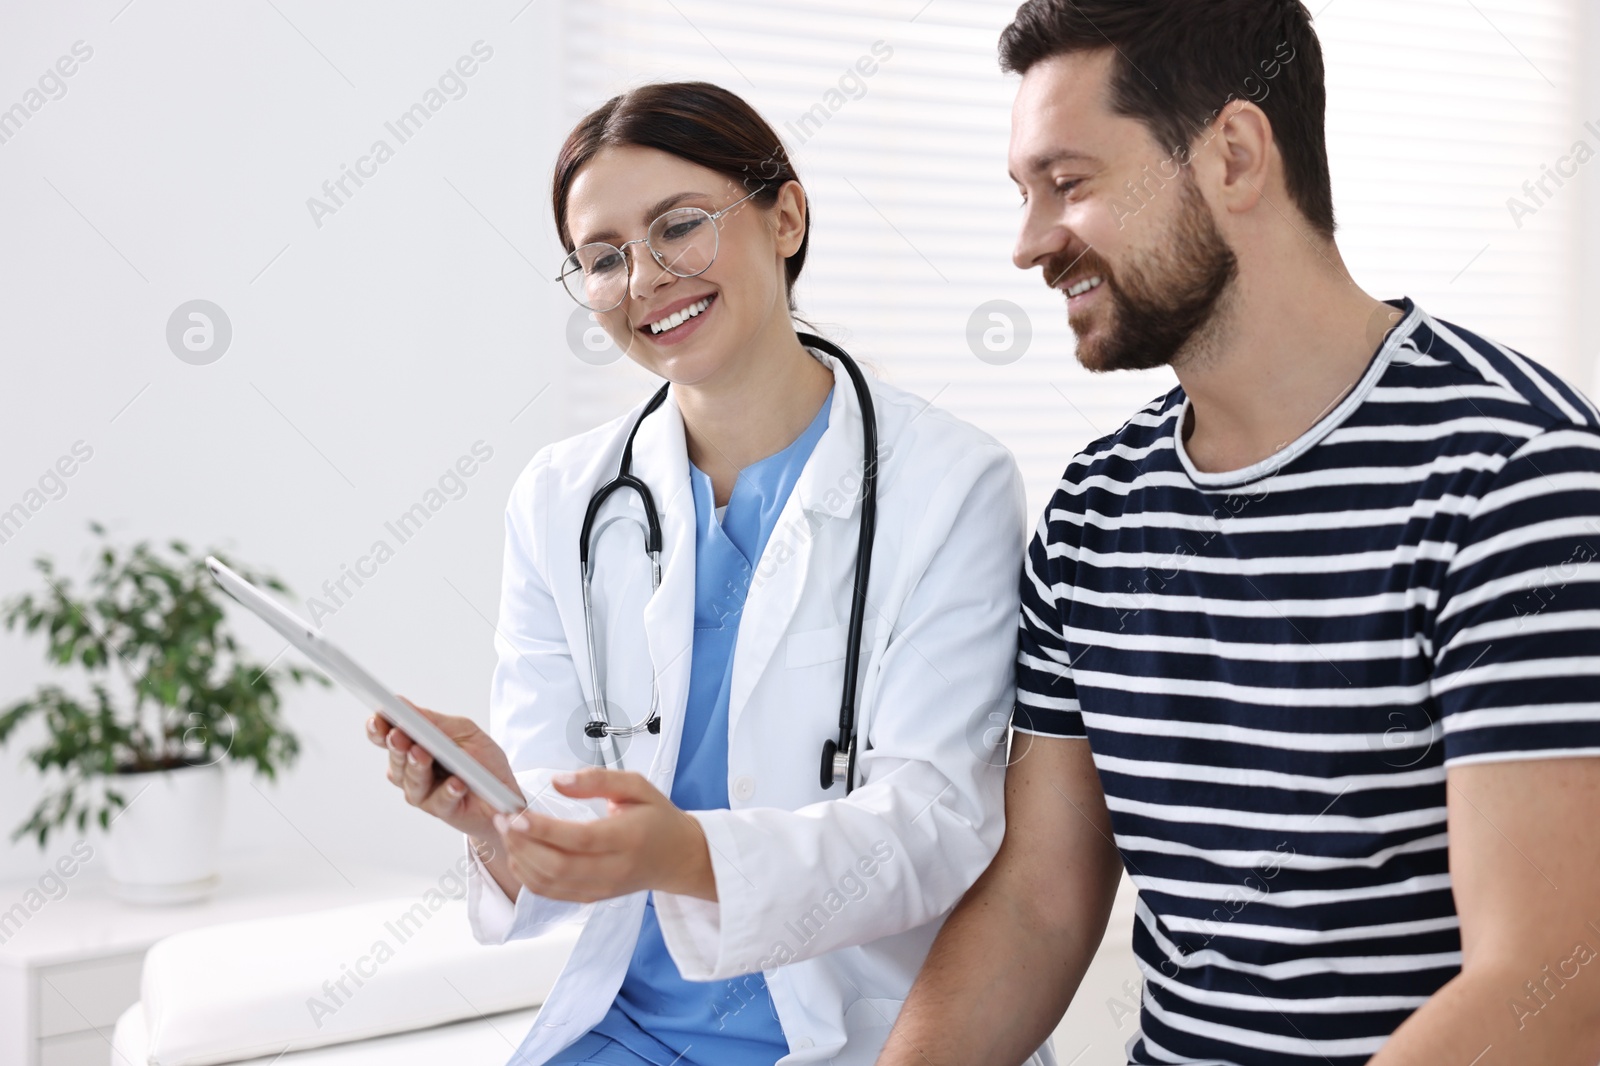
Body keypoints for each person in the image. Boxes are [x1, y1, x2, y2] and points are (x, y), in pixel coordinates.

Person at [877, 2, 1600, 1065]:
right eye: (1023, 195)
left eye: (1068, 184)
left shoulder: (1515, 474)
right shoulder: (1095, 512)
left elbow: (1545, 978)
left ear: (1233, 154)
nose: (1029, 243)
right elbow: (1036, 905)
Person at [366, 81, 1037, 1066]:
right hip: (625, 1028)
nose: (643, 277)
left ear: (786, 216)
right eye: (602, 258)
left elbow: (933, 826)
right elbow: (567, 823)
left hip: (858, 1032)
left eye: (679, 226)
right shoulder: (559, 500)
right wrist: (500, 815)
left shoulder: (949, 483)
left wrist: (688, 853)